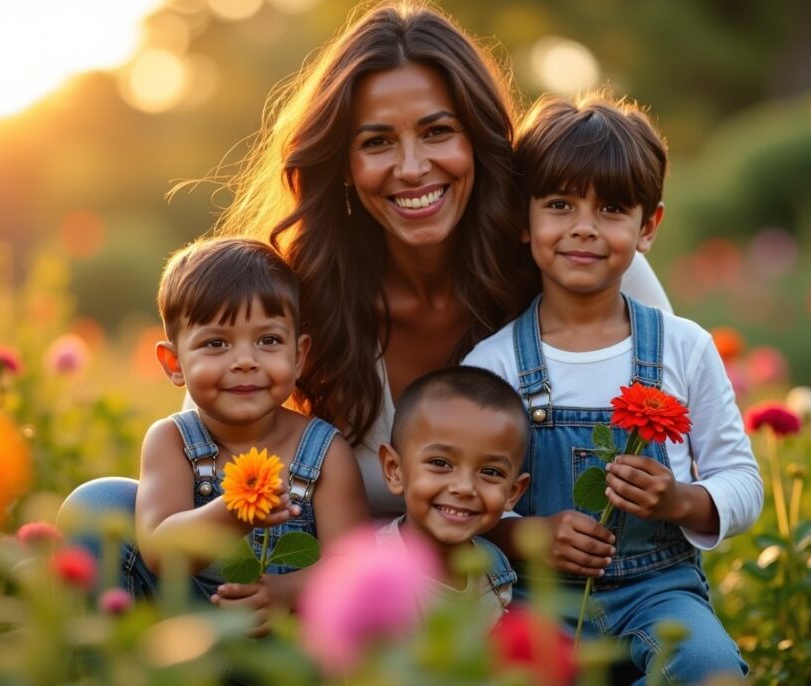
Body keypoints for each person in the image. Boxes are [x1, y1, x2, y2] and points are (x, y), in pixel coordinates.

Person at [208, 0, 673, 521]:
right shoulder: (297, 288)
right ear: (342, 164)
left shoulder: (580, 260)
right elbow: (195, 452)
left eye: (437, 132)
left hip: (539, 572)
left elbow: (688, 452)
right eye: (377, 141)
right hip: (341, 566)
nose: (412, 168)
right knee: (125, 498)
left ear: (479, 139)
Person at [462, 94, 762, 681]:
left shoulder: (684, 347)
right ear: (523, 220)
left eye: (611, 209)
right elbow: (465, 498)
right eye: (559, 204)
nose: (583, 227)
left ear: (648, 227)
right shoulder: (492, 364)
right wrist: (526, 535)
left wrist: (680, 501)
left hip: (659, 593)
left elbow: (742, 480)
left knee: (708, 665)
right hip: (534, 597)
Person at [69, 237, 367, 636]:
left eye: (268, 340)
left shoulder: (324, 451)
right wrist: (232, 513)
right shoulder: (173, 441)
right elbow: (160, 552)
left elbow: (352, 563)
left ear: (298, 356)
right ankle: (116, 658)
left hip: (284, 643)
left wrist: (289, 590)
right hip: (188, 629)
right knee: (95, 502)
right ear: (174, 363)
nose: (245, 361)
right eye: (216, 343)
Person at [375, 365, 531, 623]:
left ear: (512, 493)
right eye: (440, 463)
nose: (465, 487)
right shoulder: (371, 573)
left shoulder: (494, 568)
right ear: (395, 469)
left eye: (490, 472)